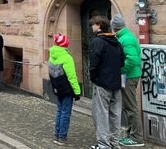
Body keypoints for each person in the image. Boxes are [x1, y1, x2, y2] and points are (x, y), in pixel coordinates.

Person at [89, 15, 125, 149]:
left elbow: (93, 64)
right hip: (116, 82)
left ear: (98, 25)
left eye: (93, 24)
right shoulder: (116, 41)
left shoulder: (97, 42)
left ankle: (103, 144)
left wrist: (94, 78)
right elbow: (122, 61)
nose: (92, 27)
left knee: (101, 114)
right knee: (115, 114)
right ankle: (115, 143)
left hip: (102, 82)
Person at [111, 14, 144, 147]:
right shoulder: (124, 37)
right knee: (128, 106)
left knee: (131, 107)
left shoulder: (126, 39)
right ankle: (132, 134)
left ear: (114, 27)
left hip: (129, 76)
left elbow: (133, 59)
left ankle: (137, 138)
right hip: (129, 76)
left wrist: (121, 70)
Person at [48, 33, 81, 146]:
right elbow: (72, 77)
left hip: (57, 88)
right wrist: (77, 91)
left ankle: (57, 134)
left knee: (59, 110)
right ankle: (62, 137)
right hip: (67, 89)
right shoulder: (67, 58)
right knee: (66, 112)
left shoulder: (52, 55)